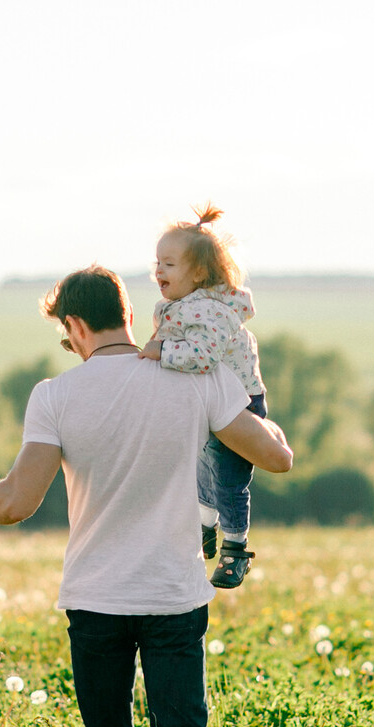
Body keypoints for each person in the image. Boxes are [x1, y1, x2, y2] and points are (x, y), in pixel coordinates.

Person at [0, 265, 291, 727]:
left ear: (75, 325)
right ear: (129, 315)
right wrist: (260, 413)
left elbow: (17, 502)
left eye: (66, 335)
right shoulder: (201, 379)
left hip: (95, 600)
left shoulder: (54, 396)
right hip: (175, 597)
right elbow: (275, 458)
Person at [138, 204, 267, 588]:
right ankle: (205, 529)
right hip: (208, 403)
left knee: (228, 478)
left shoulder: (212, 311)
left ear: (198, 272)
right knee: (201, 471)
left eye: (170, 264)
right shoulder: (179, 307)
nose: (159, 271)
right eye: (157, 263)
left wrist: (160, 353)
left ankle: (236, 547)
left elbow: (201, 355)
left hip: (240, 405)